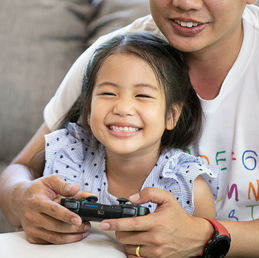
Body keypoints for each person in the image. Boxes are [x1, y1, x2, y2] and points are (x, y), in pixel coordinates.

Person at [0, 0, 259, 257]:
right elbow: (21, 168)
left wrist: (204, 234)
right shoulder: (112, 57)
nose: (185, 2)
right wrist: (22, 200)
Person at [42, 31, 218, 222]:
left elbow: (204, 247)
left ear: (171, 115)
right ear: (89, 108)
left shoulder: (187, 187)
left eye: (142, 96)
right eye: (109, 93)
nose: (123, 109)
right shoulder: (69, 158)